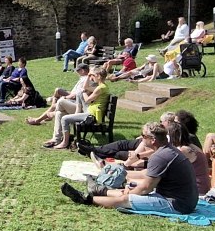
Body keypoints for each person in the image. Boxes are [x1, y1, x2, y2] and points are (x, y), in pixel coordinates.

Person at [61, 119, 197, 215]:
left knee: (127, 199)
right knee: (130, 189)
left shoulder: (160, 156)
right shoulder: (168, 150)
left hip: (177, 205)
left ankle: (86, 199)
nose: (141, 138)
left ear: (153, 140)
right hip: (179, 199)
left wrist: (130, 193)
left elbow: (146, 188)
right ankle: (99, 190)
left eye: (143, 136)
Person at [48, 71, 105, 150]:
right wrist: (88, 77)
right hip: (86, 110)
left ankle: (65, 142)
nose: (91, 76)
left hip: (91, 114)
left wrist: (83, 91)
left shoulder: (99, 87)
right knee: (59, 113)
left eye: (93, 75)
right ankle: (56, 139)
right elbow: (84, 89)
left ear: (98, 76)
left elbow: (87, 100)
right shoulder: (98, 86)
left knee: (63, 115)